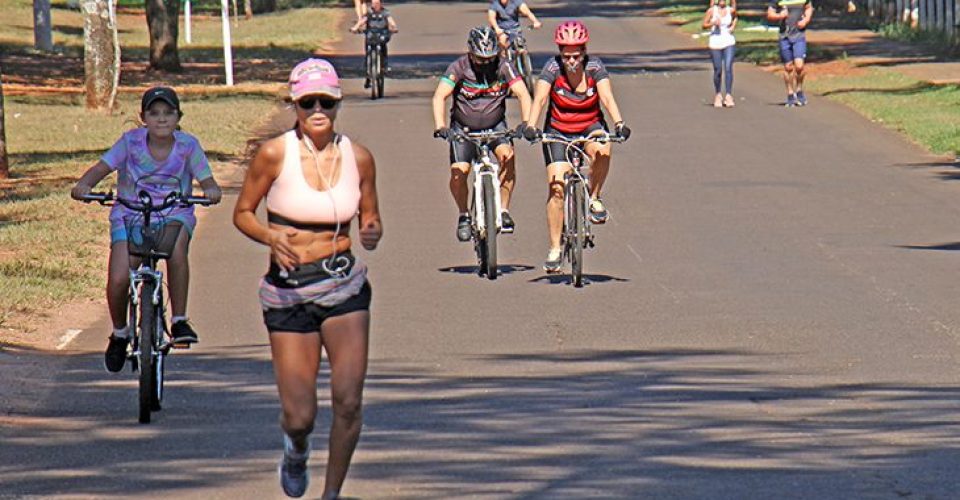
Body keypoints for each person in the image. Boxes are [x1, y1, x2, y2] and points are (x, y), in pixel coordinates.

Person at [233, 58, 382, 500]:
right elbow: (242, 213)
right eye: (308, 102)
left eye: (326, 102)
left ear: (338, 103)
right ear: (294, 104)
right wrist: (269, 236)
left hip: (343, 286)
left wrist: (371, 230)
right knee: (300, 417)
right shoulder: (274, 154)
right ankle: (295, 449)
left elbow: (370, 214)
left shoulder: (359, 157)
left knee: (349, 401)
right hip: (290, 290)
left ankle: (331, 494)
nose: (318, 110)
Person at [71, 86, 222, 373]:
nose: (161, 119)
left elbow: (207, 179)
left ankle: (179, 320)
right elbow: (101, 168)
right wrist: (84, 185)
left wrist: (211, 190)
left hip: (173, 212)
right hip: (130, 213)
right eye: (154, 113)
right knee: (119, 277)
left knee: (176, 250)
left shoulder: (188, 146)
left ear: (179, 117)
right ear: (143, 118)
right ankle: (120, 333)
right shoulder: (130, 143)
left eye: (168, 113)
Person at [523, 20, 630, 273]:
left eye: (576, 55)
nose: (571, 61)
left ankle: (594, 197)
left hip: (590, 125)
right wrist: (530, 125)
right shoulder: (552, 68)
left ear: (584, 52)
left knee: (603, 147)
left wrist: (619, 123)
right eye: (566, 55)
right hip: (558, 129)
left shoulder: (595, 67)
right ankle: (554, 249)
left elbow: (606, 97)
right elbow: (540, 99)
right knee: (556, 188)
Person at [431, 26, 532, 241]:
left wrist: (527, 123)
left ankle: (503, 210)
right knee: (459, 172)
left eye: (489, 58)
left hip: (495, 126)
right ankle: (464, 215)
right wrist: (441, 127)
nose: (485, 63)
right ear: (470, 52)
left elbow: (523, 94)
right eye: (480, 59)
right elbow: (440, 96)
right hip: (463, 129)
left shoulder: (504, 66)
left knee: (508, 157)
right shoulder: (458, 67)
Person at [766, 0, 813, 107]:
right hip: (785, 36)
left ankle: (799, 89)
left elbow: (809, 7)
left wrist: (806, 20)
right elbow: (770, 14)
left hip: (799, 35)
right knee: (788, 67)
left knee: (799, 66)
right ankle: (790, 93)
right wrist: (780, 16)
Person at [350, 0, 398, 89]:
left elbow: (391, 21)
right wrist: (355, 28)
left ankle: (384, 66)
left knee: (383, 47)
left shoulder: (385, 12)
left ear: (380, 4)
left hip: (381, 34)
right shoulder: (369, 12)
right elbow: (362, 21)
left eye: (377, 3)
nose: (375, 5)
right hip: (371, 34)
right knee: (368, 50)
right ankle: (368, 72)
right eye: (373, 3)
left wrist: (394, 27)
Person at [702, 0, 737, 108]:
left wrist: (733, 26)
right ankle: (718, 94)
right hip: (715, 42)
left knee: (728, 67)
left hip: (729, 41)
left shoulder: (730, 10)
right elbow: (704, 25)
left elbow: (735, 17)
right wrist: (713, 23)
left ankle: (728, 95)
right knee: (718, 70)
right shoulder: (712, 11)